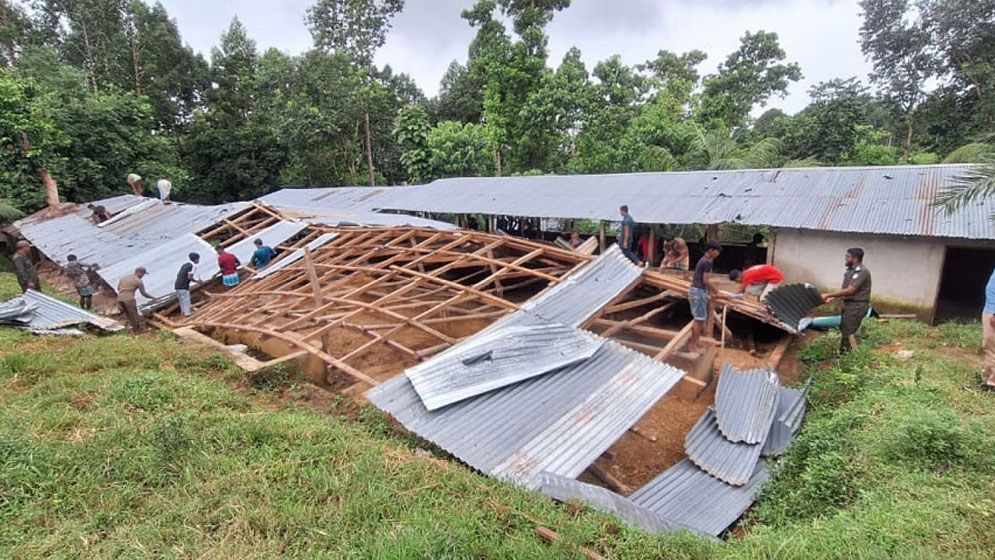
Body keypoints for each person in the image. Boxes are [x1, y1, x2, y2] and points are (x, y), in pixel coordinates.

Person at [821, 248, 872, 353]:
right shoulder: (850, 271)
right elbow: (846, 290)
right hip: (849, 305)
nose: (845, 258)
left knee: (848, 332)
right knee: (845, 329)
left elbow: (851, 290)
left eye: (848, 257)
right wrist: (834, 297)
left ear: (855, 259)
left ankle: (845, 357)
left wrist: (828, 294)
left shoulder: (862, 272)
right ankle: (846, 353)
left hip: (856, 306)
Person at [689, 242, 722, 351]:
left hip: (695, 290)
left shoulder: (703, 259)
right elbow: (706, 280)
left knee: (698, 319)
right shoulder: (707, 262)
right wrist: (716, 291)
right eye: (717, 251)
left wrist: (709, 290)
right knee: (699, 320)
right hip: (699, 292)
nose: (718, 254)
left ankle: (696, 342)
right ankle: (693, 346)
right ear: (711, 250)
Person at [117, 267, 153, 332]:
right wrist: (152, 297)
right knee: (133, 314)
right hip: (129, 299)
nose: (143, 276)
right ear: (139, 273)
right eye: (143, 274)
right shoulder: (138, 281)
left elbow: (118, 288)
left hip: (120, 298)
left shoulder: (124, 278)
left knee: (128, 314)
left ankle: (133, 327)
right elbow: (143, 293)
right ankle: (138, 330)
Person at [980, 268, 995, 392]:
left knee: (993, 347)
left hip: (993, 312)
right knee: (988, 345)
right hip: (989, 309)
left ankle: (992, 384)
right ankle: (987, 374)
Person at [175, 253, 200, 317]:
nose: (198, 261)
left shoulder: (185, 265)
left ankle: (183, 312)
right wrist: (196, 281)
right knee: (186, 300)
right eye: (198, 259)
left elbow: (178, 274)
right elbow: (189, 277)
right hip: (183, 286)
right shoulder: (192, 266)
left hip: (177, 285)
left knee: (181, 300)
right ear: (196, 259)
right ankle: (187, 314)